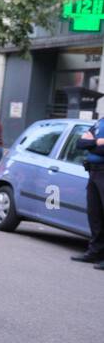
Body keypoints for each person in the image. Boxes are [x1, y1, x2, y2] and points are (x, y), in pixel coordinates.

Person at [72, 113, 104, 267]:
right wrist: (97, 143)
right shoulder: (100, 122)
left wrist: (92, 143)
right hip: (93, 171)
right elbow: (80, 143)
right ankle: (94, 251)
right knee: (94, 213)